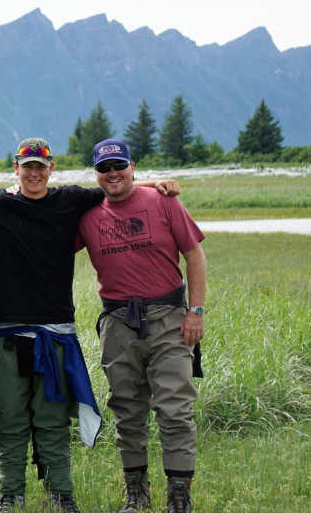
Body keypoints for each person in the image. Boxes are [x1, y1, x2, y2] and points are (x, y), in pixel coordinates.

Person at [0, 138, 180, 513]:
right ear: (15, 169)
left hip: (56, 332)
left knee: (53, 421)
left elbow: (115, 185)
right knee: (10, 420)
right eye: (27, 166)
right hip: (5, 331)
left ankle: (62, 494)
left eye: (41, 167)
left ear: (51, 170)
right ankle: (10, 495)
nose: (34, 173)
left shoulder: (69, 199)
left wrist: (156, 185)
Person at [76, 139, 206, 513]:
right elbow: (43, 224)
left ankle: (178, 496)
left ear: (132, 166)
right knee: (127, 410)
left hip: (169, 318)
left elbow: (194, 252)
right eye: (104, 168)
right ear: (96, 174)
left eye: (119, 165)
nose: (112, 173)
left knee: (175, 409)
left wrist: (195, 311)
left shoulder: (164, 202)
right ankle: (136, 494)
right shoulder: (87, 215)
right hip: (117, 322)